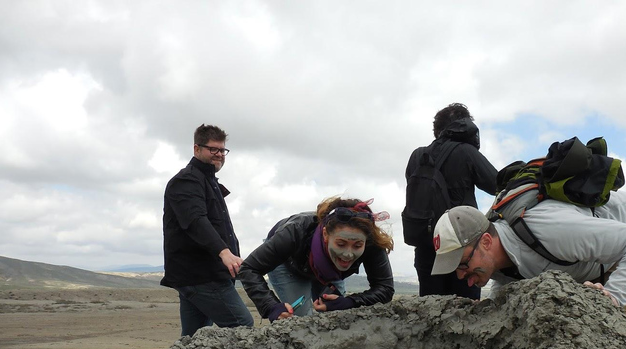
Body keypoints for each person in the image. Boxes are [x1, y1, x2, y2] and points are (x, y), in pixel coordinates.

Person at [430, 191, 626, 327]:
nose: (461, 276)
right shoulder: (496, 255)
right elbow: (510, 276)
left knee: (611, 326)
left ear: (486, 242)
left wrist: (613, 296)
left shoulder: (551, 230)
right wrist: (493, 306)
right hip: (586, 258)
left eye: (462, 264)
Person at [160, 124, 254, 336]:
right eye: (213, 149)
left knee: (194, 338)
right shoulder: (186, 181)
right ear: (196, 149)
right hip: (202, 275)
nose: (219, 155)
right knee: (242, 326)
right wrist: (224, 252)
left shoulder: (208, 182)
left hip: (200, 275)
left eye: (222, 150)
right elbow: (195, 221)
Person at [239, 197, 395, 322]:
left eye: (357, 246)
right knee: (299, 321)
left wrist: (351, 302)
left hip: (329, 272)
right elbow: (249, 268)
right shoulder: (295, 231)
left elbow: (385, 288)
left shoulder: (372, 241)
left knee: (337, 316)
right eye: (341, 244)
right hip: (288, 264)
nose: (348, 254)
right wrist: (271, 306)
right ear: (326, 234)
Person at [404, 103, 498, 299]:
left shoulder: (417, 156)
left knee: (430, 311)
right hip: (463, 249)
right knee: (467, 313)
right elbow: (497, 185)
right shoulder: (466, 152)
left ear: (437, 130)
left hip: (426, 246)